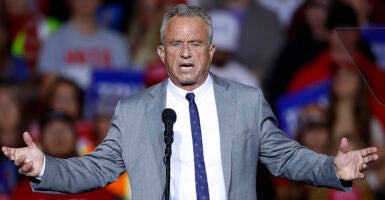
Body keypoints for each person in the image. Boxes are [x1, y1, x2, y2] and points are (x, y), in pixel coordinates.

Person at [1, 4, 379, 200]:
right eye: (176, 45)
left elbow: (285, 156)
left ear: (211, 51)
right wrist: (45, 167)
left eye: (195, 43)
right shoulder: (132, 112)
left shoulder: (246, 103)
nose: (186, 53)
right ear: (162, 54)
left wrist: (333, 169)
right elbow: (95, 171)